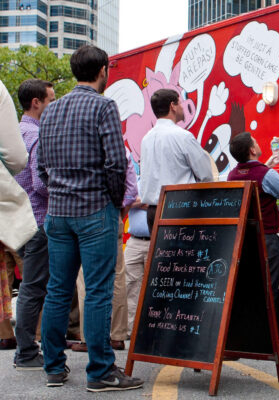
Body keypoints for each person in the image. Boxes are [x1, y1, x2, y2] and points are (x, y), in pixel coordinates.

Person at [36, 45, 143, 391]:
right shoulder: (104, 106)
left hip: (58, 212)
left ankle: (53, 366)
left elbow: (41, 167)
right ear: (103, 71)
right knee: (97, 291)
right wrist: (114, 202)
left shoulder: (50, 112)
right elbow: (116, 162)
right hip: (95, 210)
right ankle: (99, 372)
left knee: (57, 289)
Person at [71, 154, 137, 353]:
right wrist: (119, 212)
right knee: (117, 276)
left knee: (85, 278)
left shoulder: (79, 145)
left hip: (82, 214)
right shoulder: (122, 152)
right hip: (111, 214)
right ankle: (117, 336)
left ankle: (87, 337)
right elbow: (132, 191)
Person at [227, 133, 279, 299]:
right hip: (266, 239)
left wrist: (268, 165)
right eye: (255, 141)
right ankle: (269, 324)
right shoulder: (266, 174)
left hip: (243, 240)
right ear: (252, 150)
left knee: (250, 289)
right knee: (269, 289)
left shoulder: (232, 176)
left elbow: (251, 175)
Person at [12, 79, 55, 369]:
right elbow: (42, 184)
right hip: (39, 219)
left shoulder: (14, 134)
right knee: (35, 286)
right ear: (36, 102)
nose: (54, 105)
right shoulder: (37, 136)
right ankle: (26, 351)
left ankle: (27, 348)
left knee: (31, 284)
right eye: (50, 99)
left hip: (19, 219)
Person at [139, 88, 214, 231]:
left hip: (153, 211)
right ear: (172, 106)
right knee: (184, 252)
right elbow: (206, 174)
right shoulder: (182, 136)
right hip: (180, 209)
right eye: (180, 103)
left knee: (159, 253)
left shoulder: (146, 139)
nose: (182, 107)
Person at [0, 78, 34, 351]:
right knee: (31, 275)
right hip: (10, 214)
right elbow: (15, 157)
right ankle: (27, 337)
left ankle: (5, 334)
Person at [123, 193, 150, 335]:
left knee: (155, 286)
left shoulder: (161, 179)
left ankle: (151, 328)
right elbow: (125, 202)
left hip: (156, 238)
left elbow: (162, 204)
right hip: (134, 241)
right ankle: (130, 329)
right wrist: (146, 203)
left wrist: (138, 202)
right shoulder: (137, 181)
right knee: (129, 285)